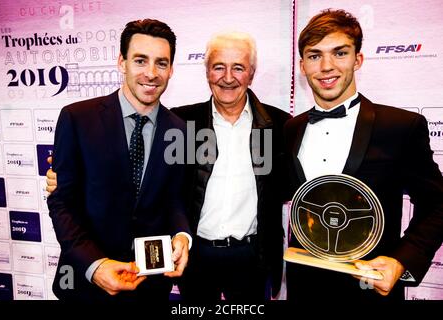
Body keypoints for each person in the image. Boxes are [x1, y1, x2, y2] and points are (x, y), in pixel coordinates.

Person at [284, 9, 443, 302]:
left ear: (358, 59)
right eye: (314, 55)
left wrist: (400, 261)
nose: (326, 66)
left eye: (339, 53)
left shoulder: (401, 127)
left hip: (369, 287)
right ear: (302, 65)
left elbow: (438, 204)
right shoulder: (290, 129)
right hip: (304, 285)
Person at [47, 19, 191, 301]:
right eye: (140, 60)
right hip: (86, 284)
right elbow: (61, 201)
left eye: (161, 63)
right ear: (121, 62)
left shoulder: (181, 130)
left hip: (149, 287)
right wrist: (95, 265)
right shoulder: (77, 119)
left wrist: (182, 237)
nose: (151, 73)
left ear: (172, 69)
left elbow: (175, 200)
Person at [172, 32, 291, 301]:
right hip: (195, 256)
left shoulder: (279, 125)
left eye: (238, 67)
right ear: (207, 73)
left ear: (251, 73)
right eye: (218, 67)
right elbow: (153, 176)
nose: (228, 77)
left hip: (252, 257)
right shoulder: (182, 123)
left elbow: (302, 181)